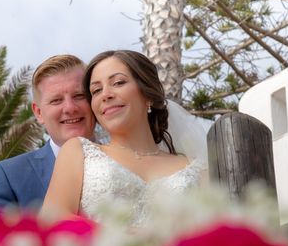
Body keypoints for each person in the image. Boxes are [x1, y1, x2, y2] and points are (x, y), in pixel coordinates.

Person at [41, 50, 206, 225]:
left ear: (147, 93)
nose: (106, 95)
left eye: (118, 82)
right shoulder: (79, 152)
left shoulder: (196, 169)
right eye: (96, 90)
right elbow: (52, 220)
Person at [0, 54, 96, 210]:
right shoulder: (10, 176)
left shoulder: (127, 161)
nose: (70, 108)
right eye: (56, 100)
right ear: (38, 113)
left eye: (79, 96)